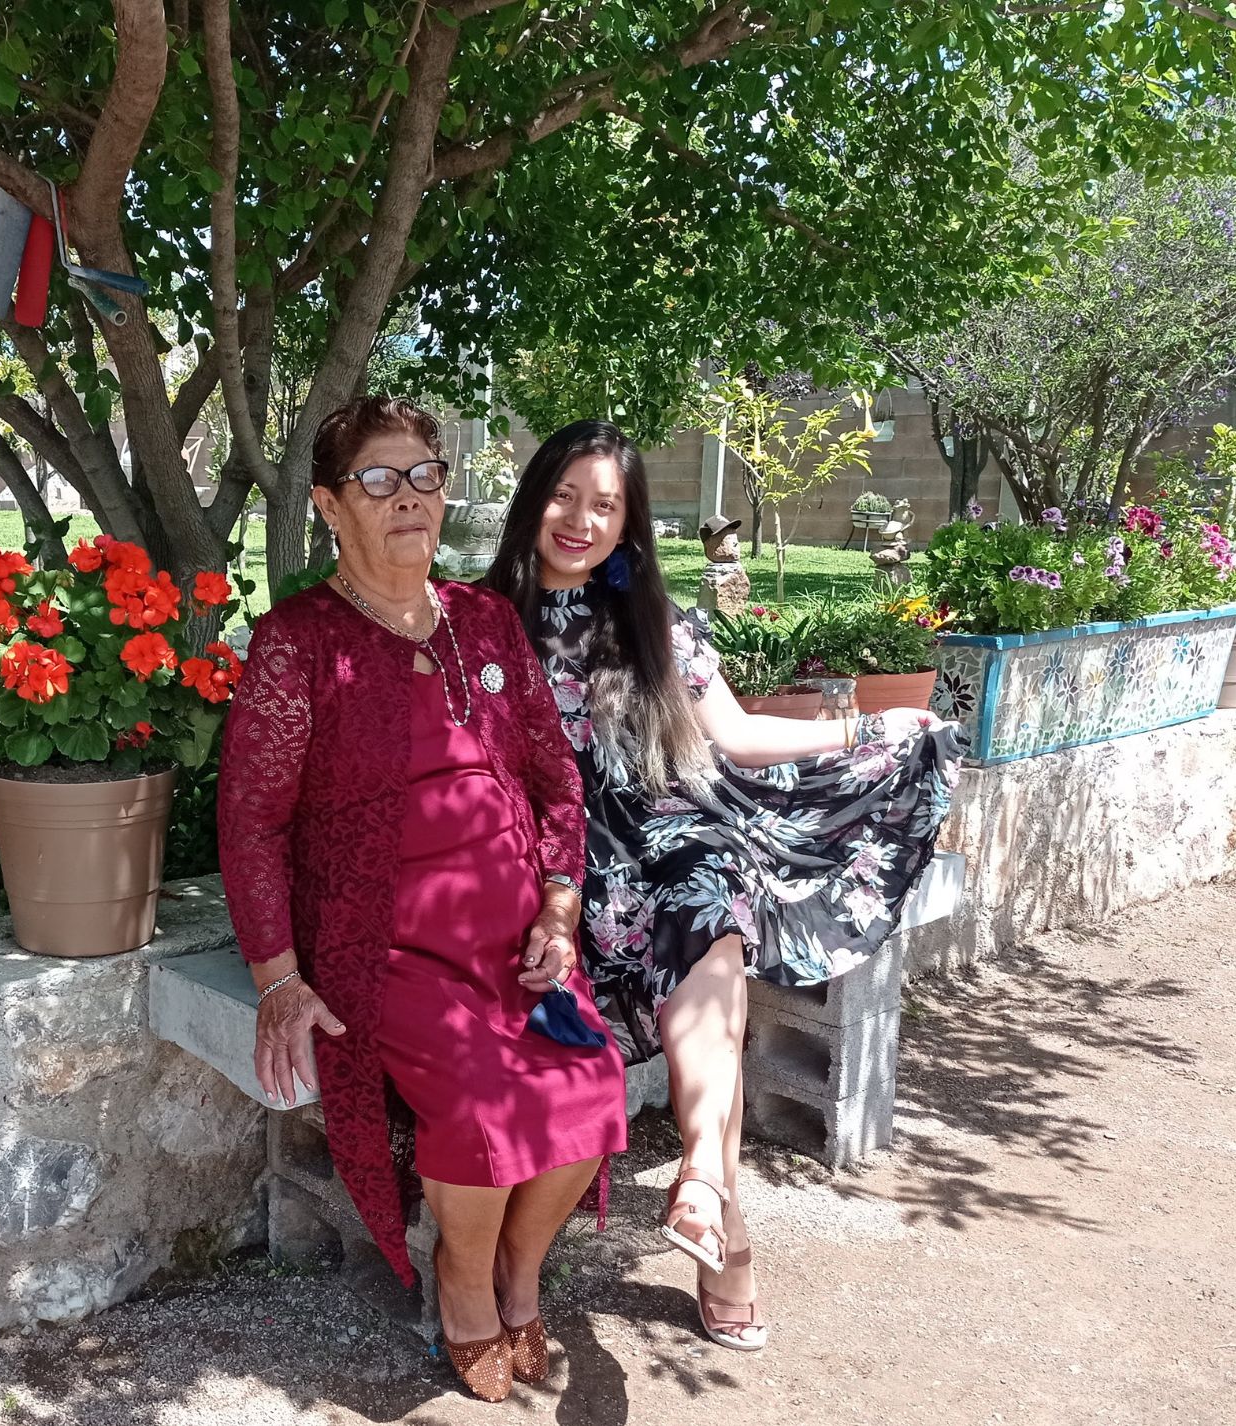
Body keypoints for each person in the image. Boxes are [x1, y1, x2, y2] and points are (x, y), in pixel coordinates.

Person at [485, 420, 966, 1353]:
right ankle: (722, 1225)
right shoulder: (479, 620)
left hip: (663, 831)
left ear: (629, 525)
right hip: (547, 857)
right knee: (710, 956)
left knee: (709, 894)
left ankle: (702, 1167)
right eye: (564, 496)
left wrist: (866, 733)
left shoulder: (652, 623)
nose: (579, 520)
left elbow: (738, 737)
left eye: (605, 505)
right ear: (532, 498)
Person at [218, 397, 628, 1403]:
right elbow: (251, 823)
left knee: (593, 1082)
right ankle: (461, 1280)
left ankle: (521, 1275)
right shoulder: (300, 642)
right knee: (484, 1109)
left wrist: (561, 905)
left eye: (424, 477)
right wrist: (279, 977)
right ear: (330, 505)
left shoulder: (483, 619)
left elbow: (555, 781)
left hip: (512, 938)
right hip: (384, 948)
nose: (407, 498)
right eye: (378, 481)